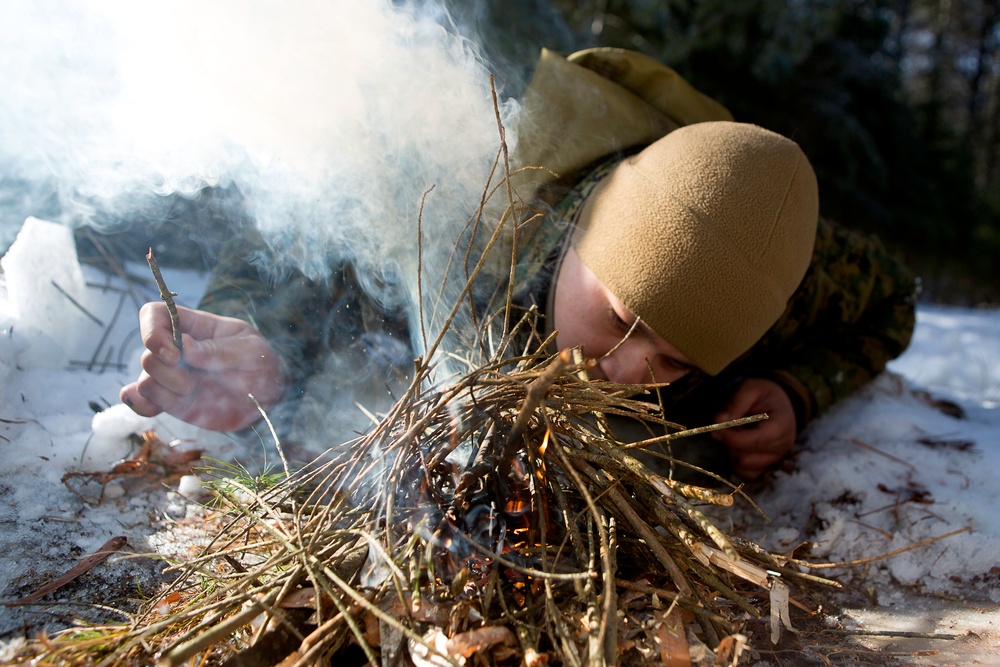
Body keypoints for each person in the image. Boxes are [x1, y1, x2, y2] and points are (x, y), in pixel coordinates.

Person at [120, 48, 917, 480]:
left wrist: (796, 389)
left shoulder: (781, 271)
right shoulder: (470, 190)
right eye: (621, 317)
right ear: (581, 237)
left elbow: (891, 302)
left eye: (676, 359)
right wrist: (261, 342)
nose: (628, 366)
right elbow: (305, 229)